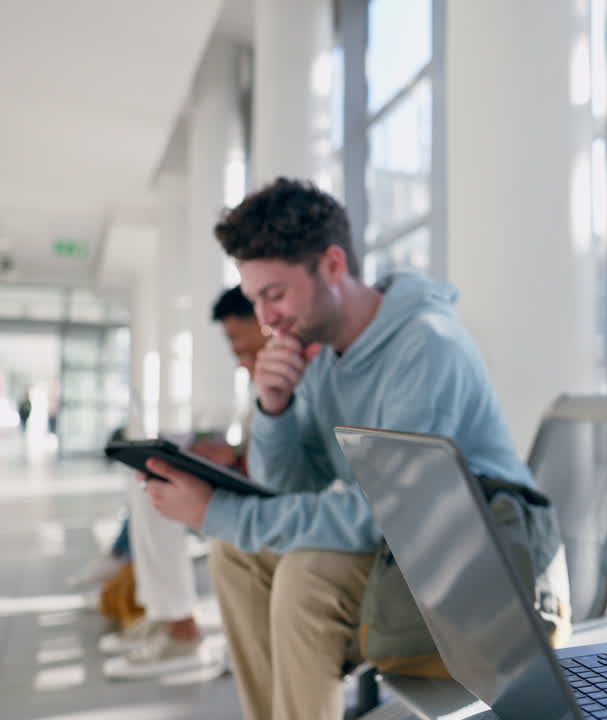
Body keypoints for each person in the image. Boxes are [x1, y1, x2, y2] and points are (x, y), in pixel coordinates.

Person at [141, 177, 539, 720]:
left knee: (308, 576)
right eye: (257, 299)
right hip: (399, 550)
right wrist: (274, 410)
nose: (265, 320)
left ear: (332, 266)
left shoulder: (426, 347)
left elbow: (382, 516)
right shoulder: (322, 354)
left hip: (478, 565)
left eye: (274, 295)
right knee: (232, 554)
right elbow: (292, 488)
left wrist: (216, 511)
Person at [100, 285, 269, 680]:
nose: (236, 352)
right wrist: (227, 452)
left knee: (160, 492)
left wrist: (237, 457)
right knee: (152, 482)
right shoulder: (258, 374)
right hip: (247, 476)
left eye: (237, 338)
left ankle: (179, 628)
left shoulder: (288, 368)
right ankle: (168, 618)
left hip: (262, 492)